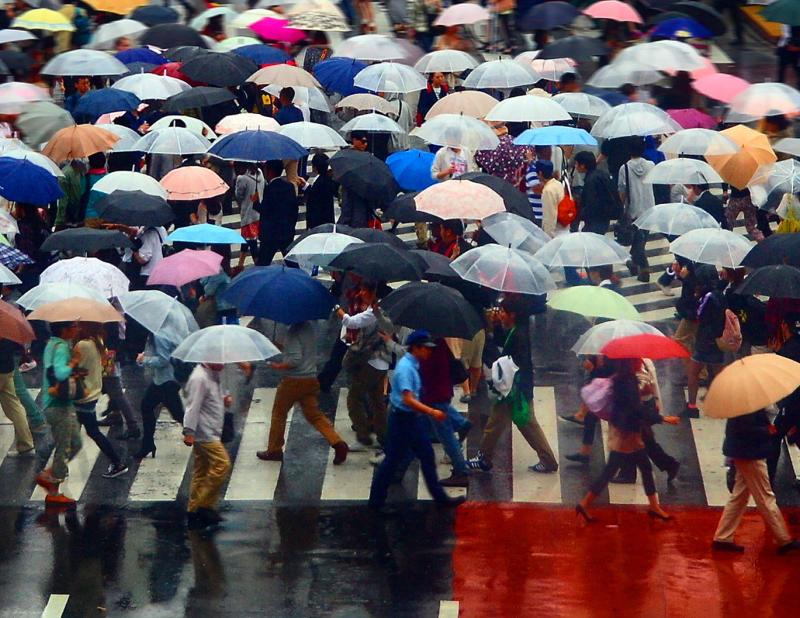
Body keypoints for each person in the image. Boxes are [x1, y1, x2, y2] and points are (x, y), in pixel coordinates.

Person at [368, 330, 467, 514]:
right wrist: (432, 411)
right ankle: (375, 503)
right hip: (402, 420)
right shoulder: (406, 368)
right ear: (416, 348)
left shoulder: (413, 363)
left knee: (427, 456)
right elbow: (408, 399)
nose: (429, 352)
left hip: (412, 419)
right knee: (391, 461)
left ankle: (440, 499)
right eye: (426, 348)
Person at [576, 358, 674, 523]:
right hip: (627, 433)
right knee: (613, 470)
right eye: (637, 361)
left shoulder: (622, 378)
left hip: (624, 429)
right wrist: (662, 418)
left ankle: (654, 506)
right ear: (630, 363)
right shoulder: (627, 381)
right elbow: (635, 409)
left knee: (642, 467)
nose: (640, 363)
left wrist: (640, 392)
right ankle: (585, 503)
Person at [468, 297, 558, 474]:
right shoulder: (516, 330)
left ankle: (484, 458)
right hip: (515, 388)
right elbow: (503, 343)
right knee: (513, 424)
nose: (500, 314)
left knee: (516, 424)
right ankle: (484, 458)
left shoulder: (519, 334)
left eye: (503, 311)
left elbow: (515, 360)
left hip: (514, 389)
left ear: (513, 314)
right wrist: (494, 325)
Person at [256, 320, 349, 464]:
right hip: (310, 379)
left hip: (293, 381)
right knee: (315, 416)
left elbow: (295, 359)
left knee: (279, 414)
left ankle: (274, 449)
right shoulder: (308, 328)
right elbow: (300, 351)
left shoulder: (293, 332)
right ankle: (337, 442)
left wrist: (279, 366)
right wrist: (280, 345)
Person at [711, 406, 799, 555]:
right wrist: (767, 430)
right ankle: (784, 540)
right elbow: (746, 429)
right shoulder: (748, 404)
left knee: (739, 496)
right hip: (750, 453)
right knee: (765, 497)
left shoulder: (743, 401)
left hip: (743, 451)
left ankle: (723, 537)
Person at [35, 322, 83, 507]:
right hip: (58, 405)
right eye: (74, 326)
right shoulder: (61, 347)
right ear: (64, 329)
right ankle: (53, 492)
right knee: (65, 447)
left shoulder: (52, 344)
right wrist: (74, 362)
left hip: (57, 403)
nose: (77, 329)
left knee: (75, 443)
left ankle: (49, 475)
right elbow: (61, 374)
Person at [339, 283, 393, 446]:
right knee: (377, 401)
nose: (361, 293)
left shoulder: (374, 312)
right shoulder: (387, 311)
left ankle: (363, 434)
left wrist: (338, 311)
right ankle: (383, 435)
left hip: (371, 363)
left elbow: (351, 322)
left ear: (373, 293)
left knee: (354, 398)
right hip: (382, 363)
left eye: (364, 290)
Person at [73, 323, 128, 479]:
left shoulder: (83, 345)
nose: (76, 326)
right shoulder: (97, 340)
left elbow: (75, 368)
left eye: (77, 324)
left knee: (91, 431)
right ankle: (59, 466)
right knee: (75, 430)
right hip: (92, 391)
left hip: (82, 395)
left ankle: (117, 463)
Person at [183, 362, 232, 530]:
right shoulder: (200, 378)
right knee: (222, 464)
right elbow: (192, 406)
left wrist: (224, 398)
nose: (223, 364)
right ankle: (203, 505)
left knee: (201, 470)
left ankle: (193, 510)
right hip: (205, 433)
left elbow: (211, 397)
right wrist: (188, 431)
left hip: (211, 430)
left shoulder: (212, 374)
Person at [685, 265, 726, 419]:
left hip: (705, 341)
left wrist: (696, 298)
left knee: (693, 373)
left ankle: (692, 406)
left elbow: (699, 314)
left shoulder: (708, 296)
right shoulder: (719, 294)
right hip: (717, 340)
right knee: (718, 375)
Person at [135, 333, 184, 459]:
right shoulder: (162, 332)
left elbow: (163, 359)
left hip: (166, 381)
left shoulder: (160, 336)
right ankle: (147, 444)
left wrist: (144, 360)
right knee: (146, 406)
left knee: (179, 415)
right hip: (163, 380)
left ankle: (205, 438)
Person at [618, 139, 655, 282]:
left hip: (634, 209)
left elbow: (622, 190)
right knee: (641, 239)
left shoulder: (624, 168)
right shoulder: (651, 165)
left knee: (638, 240)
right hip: (649, 207)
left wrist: (623, 206)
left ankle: (644, 268)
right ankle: (633, 264)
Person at [256, 160, 298, 266]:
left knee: (263, 263)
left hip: (270, 234)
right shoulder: (289, 187)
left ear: (269, 171)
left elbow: (266, 211)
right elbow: (294, 209)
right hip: (287, 231)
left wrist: (255, 203)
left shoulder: (270, 189)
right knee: (291, 262)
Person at [0, 337, 34, 457]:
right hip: (7, 369)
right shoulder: (7, 328)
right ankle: (26, 445)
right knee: (14, 406)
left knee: (13, 406)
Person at [575, 151, 620, 235]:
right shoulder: (603, 174)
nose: (576, 166)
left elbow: (591, 202)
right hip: (605, 217)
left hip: (594, 220)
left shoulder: (590, 180)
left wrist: (582, 214)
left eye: (577, 164)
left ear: (583, 165)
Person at [234, 163, 263, 270]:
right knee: (246, 238)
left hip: (248, 213)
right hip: (258, 212)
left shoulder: (242, 178)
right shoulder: (260, 173)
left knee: (251, 240)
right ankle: (240, 264)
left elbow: (239, 195)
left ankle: (258, 265)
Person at [304, 153, 337, 229]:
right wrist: (305, 186)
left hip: (318, 222)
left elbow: (314, 197)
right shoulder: (328, 179)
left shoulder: (320, 182)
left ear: (314, 167)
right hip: (327, 219)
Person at [538, 159, 566, 238]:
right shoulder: (558, 184)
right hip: (563, 227)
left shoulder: (548, 190)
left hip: (555, 232)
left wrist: (547, 235)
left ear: (540, 173)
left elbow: (550, 215)